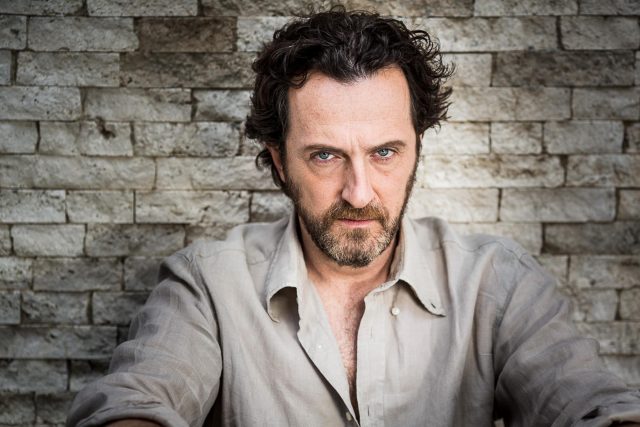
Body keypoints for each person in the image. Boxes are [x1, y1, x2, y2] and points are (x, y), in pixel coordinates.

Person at [67, 7, 640, 427]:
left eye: (385, 152)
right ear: (279, 161)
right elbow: (137, 401)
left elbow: (589, 403)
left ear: (416, 148)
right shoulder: (209, 286)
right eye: (325, 156)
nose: (360, 193)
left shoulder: (498, 282)